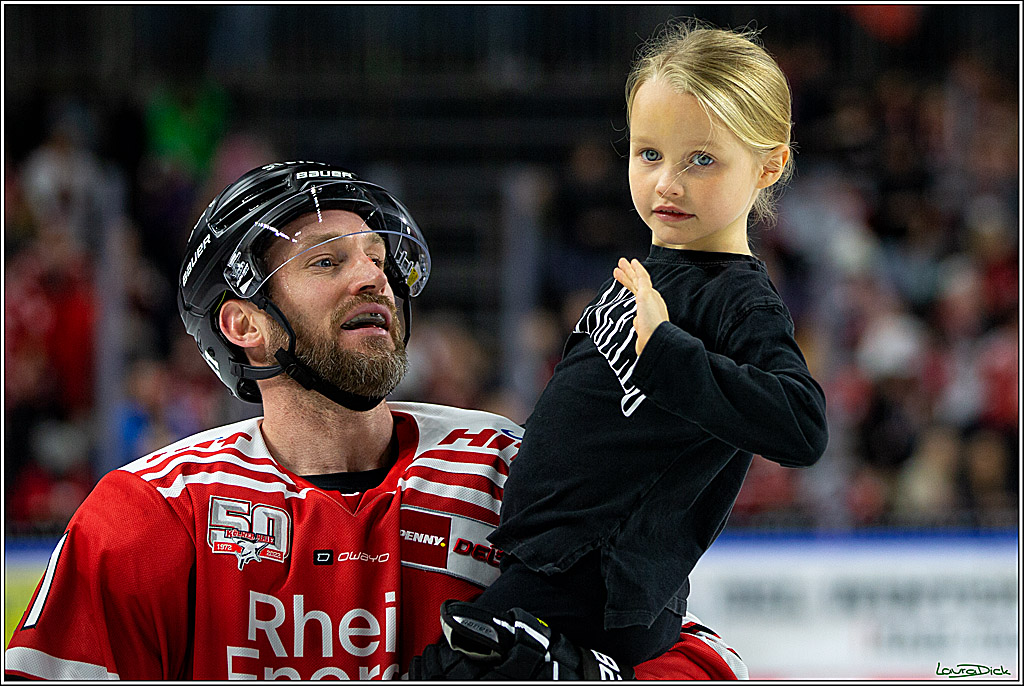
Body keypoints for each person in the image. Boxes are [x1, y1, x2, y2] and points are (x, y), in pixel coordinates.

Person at [5, 160, 746, 680]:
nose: (373, 277)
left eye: (379, 259)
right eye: (327, 262)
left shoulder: (508, 472)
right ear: (245, 325)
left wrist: (593, 679)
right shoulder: (154, 515)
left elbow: (710, 657)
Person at [420, 19, 830, 673]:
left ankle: (581, 671)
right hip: (547, 570)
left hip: (589, 590)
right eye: (650, 153)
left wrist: (668, 354)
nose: (668, 181)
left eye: (702, 158)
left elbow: (802, 424)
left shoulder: (736, 296)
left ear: (769, 165)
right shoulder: (653, 270)